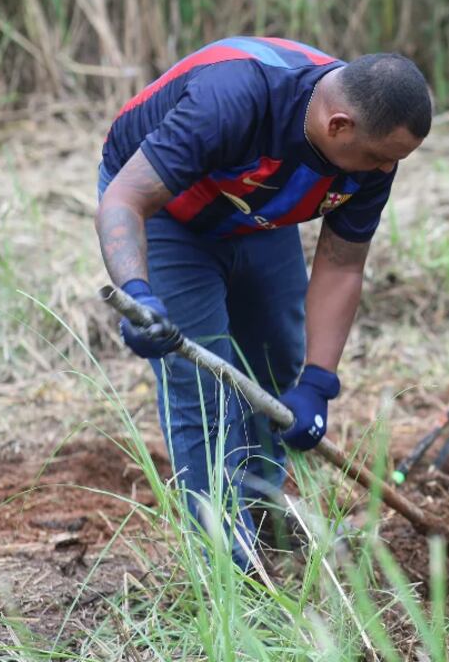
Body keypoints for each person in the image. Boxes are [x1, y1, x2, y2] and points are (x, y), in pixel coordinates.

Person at [95, 37, 431, 569]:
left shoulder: (373, 151)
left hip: (257, 211)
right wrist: (138, 292)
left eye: (396, 160)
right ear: (338, 126)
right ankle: (226, 562)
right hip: (167, 212)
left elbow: (342, 264)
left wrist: (319, 381)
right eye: (379, 158)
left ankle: (265, 513)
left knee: (275, 357)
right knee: (201, 388)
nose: (386, 171)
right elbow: (125, 199)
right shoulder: (233, 98)